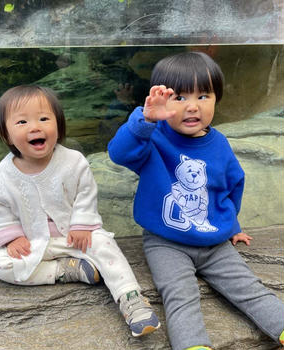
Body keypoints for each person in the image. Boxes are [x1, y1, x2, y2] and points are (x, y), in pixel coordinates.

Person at [108, 51, 284, 349]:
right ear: (162, 101)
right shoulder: (152, 138)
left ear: (217, 99)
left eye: (204, 95)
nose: (192, 106)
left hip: (214, 243)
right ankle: (193, 345)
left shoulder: (220, 144)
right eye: (179, 97)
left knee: (249, 289)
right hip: (166, 242)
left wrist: (232, 227)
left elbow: (231, 187)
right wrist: (145, 120)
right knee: (180, 295)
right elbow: (119, 153)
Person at [0, 85, 161, 337]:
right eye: (22, 122)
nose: (35, 127)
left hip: (77, 236)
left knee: (106, 248)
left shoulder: (74, 161)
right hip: (36, 242)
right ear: (6, 134)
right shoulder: (0, 179)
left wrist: (82, 224)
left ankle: (131, 299)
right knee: (0, 265)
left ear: (59, 125)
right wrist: (12, 237)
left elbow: (85, 193)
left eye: (44, 119)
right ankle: (66, 271)